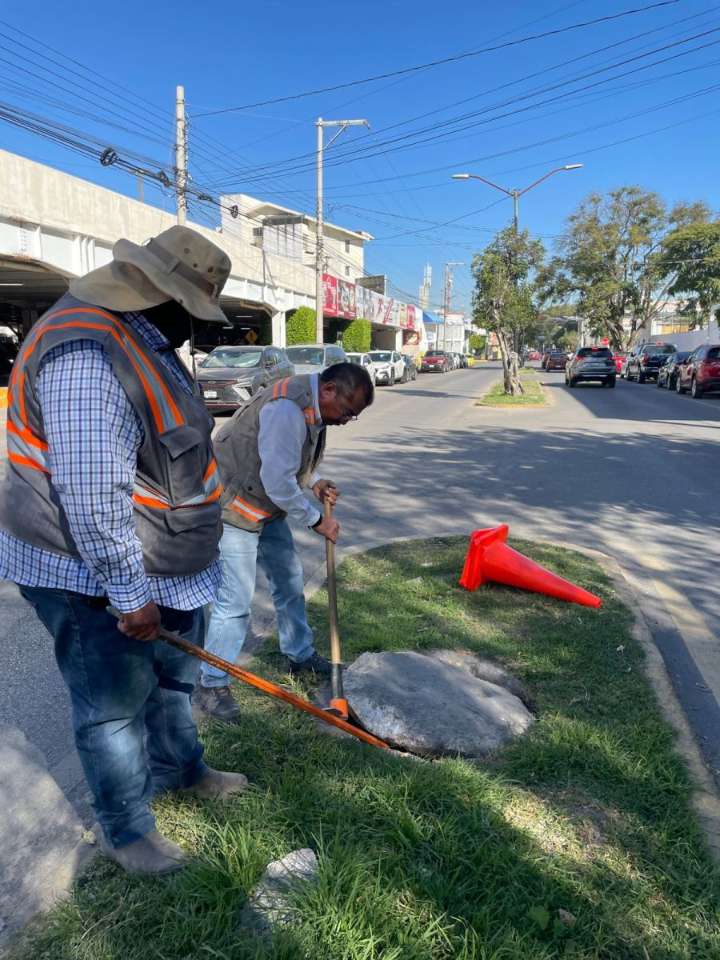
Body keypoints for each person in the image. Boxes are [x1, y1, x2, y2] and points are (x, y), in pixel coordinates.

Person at [0, 226, 249, 876]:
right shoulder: (86, 353)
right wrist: (129, 596)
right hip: (92, 575)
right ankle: (127, 833)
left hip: (157, 568)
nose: (194, 327)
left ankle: (181, 771)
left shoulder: (139, 335)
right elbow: (91, 494)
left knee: (170, 684)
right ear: (155, 293)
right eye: (190, 311)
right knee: (112, 709)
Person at [194, 362, 374, 723]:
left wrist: (315, 480)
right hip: (235, 511)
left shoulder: (311, 405)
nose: (346, 420)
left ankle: (300, 654)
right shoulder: (286, 409)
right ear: (328, 391)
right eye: (348, 412)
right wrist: (318, 520)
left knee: (290, 584)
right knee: (235, 603)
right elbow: (277, 481)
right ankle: (212, 683)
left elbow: (288, 458)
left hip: (265, 506)